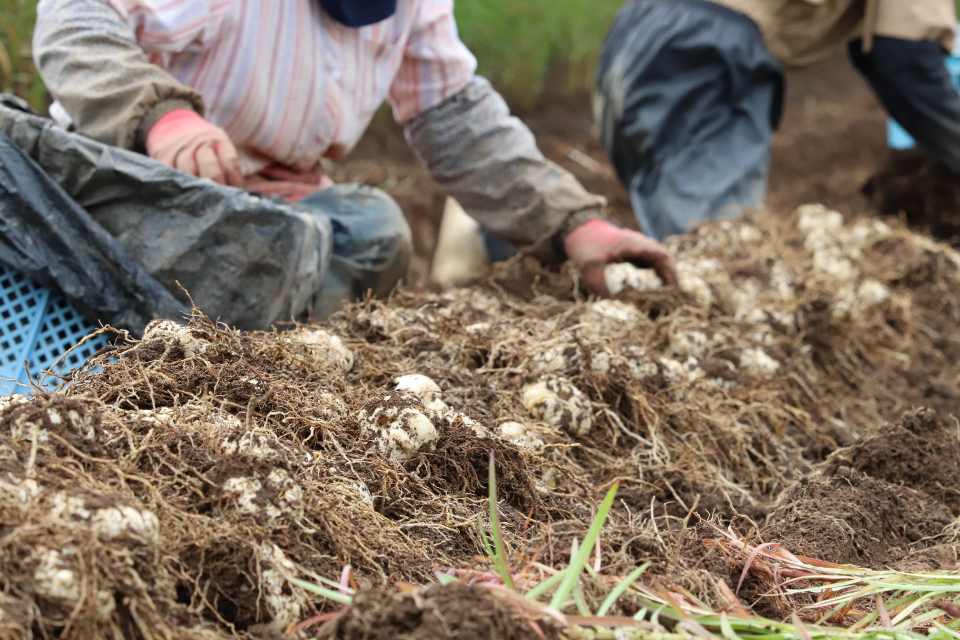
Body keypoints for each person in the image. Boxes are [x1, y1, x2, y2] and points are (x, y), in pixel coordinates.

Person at [7, 0, 677, 335]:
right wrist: (161, 117)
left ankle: (229, 356)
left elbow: (450, 112)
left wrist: (571, 224)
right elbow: (76, 21)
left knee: (371, 232)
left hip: (276, 211)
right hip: (133, 182)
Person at [595, 0, 959, 241]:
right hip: (705, 45)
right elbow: (904, 57)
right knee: (721, 254)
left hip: (638, 32)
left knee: (682, 248)